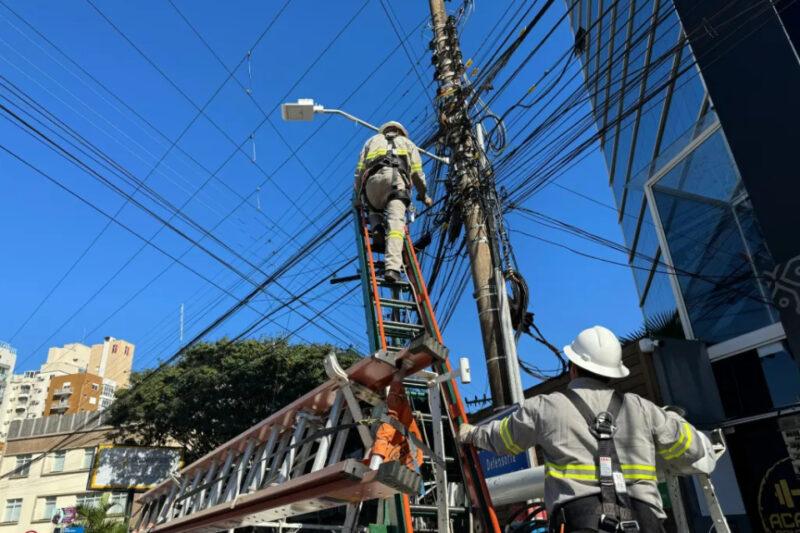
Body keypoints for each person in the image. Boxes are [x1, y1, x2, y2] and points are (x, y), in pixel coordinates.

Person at [458, 325, 718, 532]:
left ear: (572, 368)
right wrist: (678, 422)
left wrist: (471, 434)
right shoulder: (642, 408)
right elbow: (693, 450)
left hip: (580, 521)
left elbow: (504, 439)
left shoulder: (546, 407)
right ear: (613, 374)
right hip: (645, 522)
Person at [354, 121, 432, 284]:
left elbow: (359, 171)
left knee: (373, 206)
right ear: (401, 132)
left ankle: (376, 229)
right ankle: (392, 268)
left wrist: (357, 198)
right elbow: (417, 174)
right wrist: (424, 196)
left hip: (372, 184)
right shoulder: (408, 143)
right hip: (396, 181)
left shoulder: (371, 141)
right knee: (396, 225)